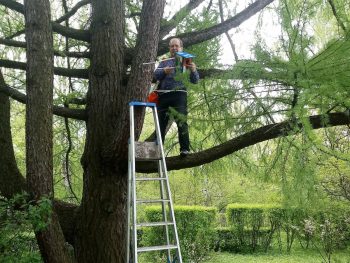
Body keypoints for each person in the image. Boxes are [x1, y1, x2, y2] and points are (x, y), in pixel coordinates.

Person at [153, 38, 199, 157]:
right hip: (163, 95)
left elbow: (195, 81)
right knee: (160, 124)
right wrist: (164, 71)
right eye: (172, 46)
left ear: (181, 48)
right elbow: (155, 75)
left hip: (179, 94)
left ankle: (184, 149)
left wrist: (193, 70)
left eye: (176, 46)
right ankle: (158, 150)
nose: (174, 48)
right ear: (169, 48)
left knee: (181, 122)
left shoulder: (187, 60)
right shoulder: (164, 61)